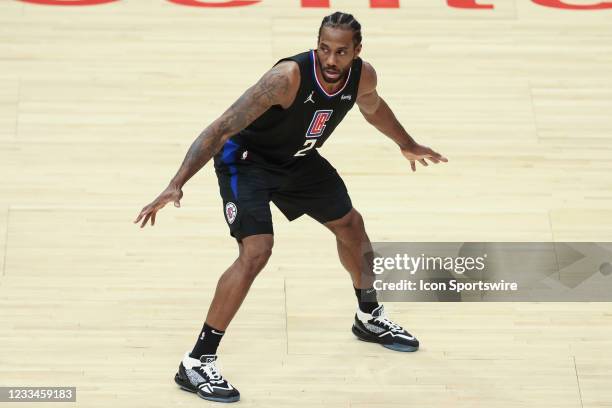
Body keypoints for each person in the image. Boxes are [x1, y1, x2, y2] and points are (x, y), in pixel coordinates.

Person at [134, 11, 447, 404]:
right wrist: (176, 183)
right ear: (316, 46)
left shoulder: (363, 76)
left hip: (297, 160)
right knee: (257, 251)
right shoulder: (286, 79)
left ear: (357, 51)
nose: (331, 61)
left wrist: (406, 142)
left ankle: (368, 316)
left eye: (341, 52)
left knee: (351, 225)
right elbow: (222, 127)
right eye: (324, 50)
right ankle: (196, 361)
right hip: (246, 162)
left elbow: (373, 107)